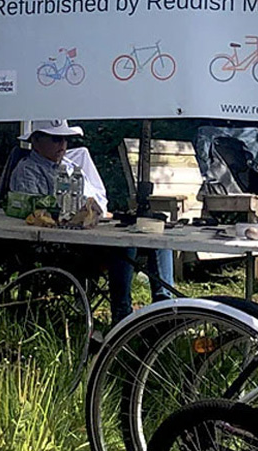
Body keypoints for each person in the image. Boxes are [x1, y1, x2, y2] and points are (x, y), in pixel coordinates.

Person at [9, 119, 174, 322]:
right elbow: (36, 214)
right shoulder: (28, 170)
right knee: (124, 246)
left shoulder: (70, 166)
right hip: (59, 246)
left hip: (87, 235)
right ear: (36, 140)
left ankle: (166, 311)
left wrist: (95, 212)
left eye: (65, 140)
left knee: (159, 240)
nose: (63, 145)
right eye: (56, 139)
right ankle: (122, 316)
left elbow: (95, 200)